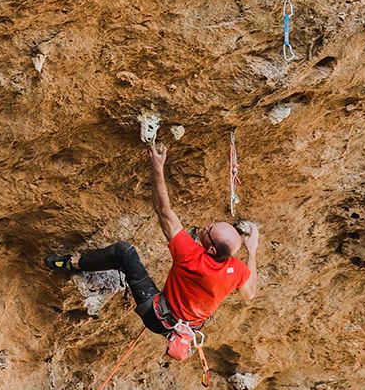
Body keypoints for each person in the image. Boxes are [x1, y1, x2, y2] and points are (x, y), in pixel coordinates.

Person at [45, 141, 259, 337]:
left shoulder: (191, 255)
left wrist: (157, 166)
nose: (205, 226)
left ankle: (72, 263)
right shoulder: (237, 269)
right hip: (185, 328)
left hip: (157, 317)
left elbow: (164, 211)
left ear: (211, 250)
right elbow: (249, 293)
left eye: (209, 230)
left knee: (123, 252)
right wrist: (253, 251)